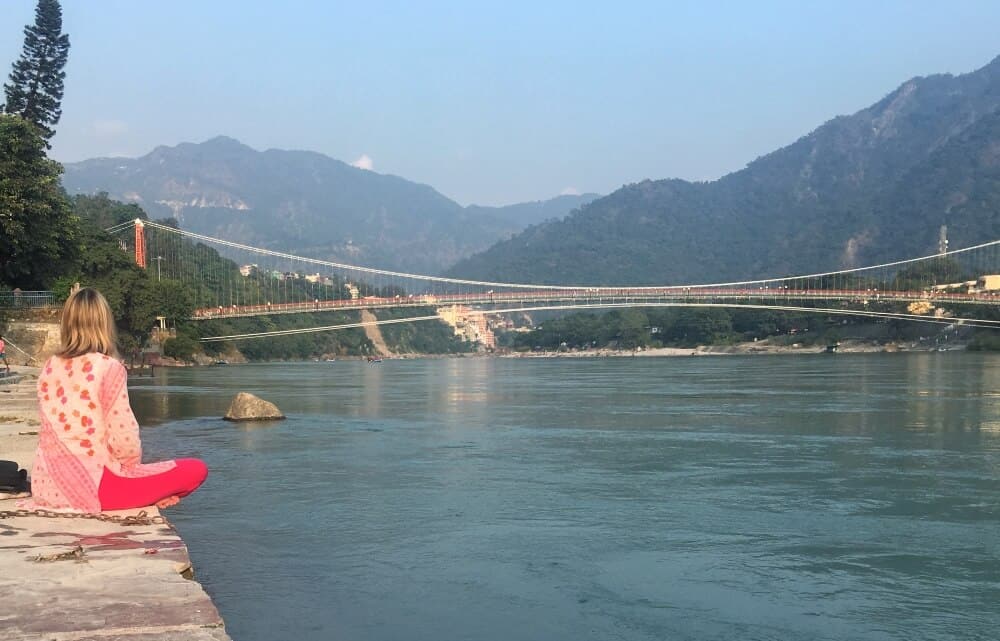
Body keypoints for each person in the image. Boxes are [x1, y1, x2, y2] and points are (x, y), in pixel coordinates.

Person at [31, 288, 207, 512]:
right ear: (105, 324)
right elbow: (125, 439)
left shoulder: (49, 366)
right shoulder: (108, 367)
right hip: (95, 489)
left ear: (66, 324)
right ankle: (146, 494)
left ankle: (144, 492)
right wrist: (133, 474)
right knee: (196, 469)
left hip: (46, 487)